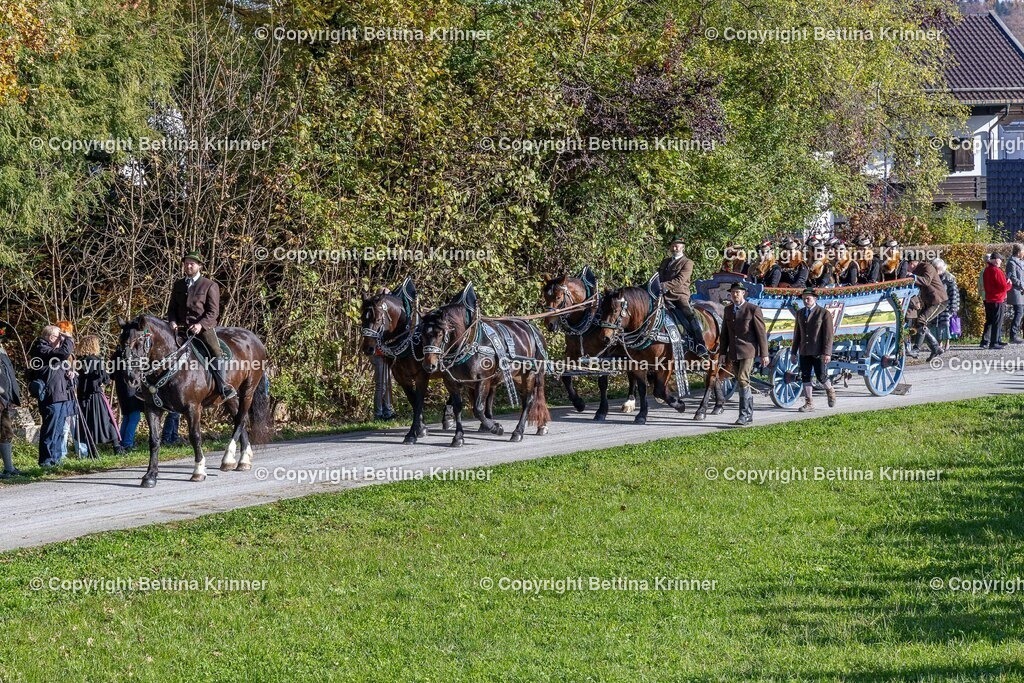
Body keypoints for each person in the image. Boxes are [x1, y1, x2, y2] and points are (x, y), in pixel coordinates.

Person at [167, 251, 237, 399]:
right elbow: (172, 308)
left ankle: (223, 385)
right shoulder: (178, 285)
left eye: (192, 263)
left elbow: (213, 312)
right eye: (186, 263)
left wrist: (200, 325)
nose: (188, 266)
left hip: (202, 329)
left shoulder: (209, 285)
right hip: (179, 329)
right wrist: (172, 321)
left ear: (199, 266)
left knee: (216, 351)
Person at [718, 282, 769, 427]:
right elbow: (725, 334)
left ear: (744, 293)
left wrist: (764, 354)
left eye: (738, 292)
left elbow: (761, 333)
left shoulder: (753, 309)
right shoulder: (728, 310)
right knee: (741, 381)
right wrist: (722, 352)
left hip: (748, 350)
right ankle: (749, 415)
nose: (735, 295)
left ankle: (744, 415)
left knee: (742, 379)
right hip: (733, 352)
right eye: (733, 292)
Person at [27, 325, 76, 467]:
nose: (61, 339)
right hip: (50, 396)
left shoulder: (53, 352)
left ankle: (55, 458)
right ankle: (46, 461)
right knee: (50, 429)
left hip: (61, 395)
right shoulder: (41, 349)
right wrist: (68, 338)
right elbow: (63, 353)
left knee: (59, 429)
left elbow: (63, 362)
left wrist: (71, 373)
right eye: (59, 337)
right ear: (51, 337)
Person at [657, 236, 706, 354]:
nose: (674, 248)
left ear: (682, 247)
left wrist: (663, 286)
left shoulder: (687, 263)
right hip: (662, 295)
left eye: (677, 245)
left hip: (679, 295)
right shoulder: (665, 262)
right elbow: (657, 276)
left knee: (689, 314)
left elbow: (680, 280)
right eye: (673, 245)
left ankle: (699, 343)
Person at [791, 288, 836, 412]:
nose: (806, 300)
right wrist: (794, 352)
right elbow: (797, 334)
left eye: (808, 298)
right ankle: (809, 403)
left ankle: (830, 389)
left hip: (818, 351)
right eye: (804, 298)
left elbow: (828, 335)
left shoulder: (823, 313)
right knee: (805, 376)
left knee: (821, 376)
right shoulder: (800, 313)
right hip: (804, 351)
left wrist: (827, 353)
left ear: (814, 299)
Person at [76, 335, 123, 453]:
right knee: (107, 420)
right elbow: (105, 379)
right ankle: (117, 447)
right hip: (96, 395)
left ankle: (92, 450)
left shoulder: (80, 361)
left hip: (83, 396)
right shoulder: (96, 360)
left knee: (87, 422)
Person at [0, 330, 22, 478]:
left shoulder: (2, 350)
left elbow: (8, 375)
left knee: (6, 433)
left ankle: (9, 468)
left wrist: (12, 394)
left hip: (4, 399)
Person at [982, 253, 1012, 350]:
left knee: (992, 320)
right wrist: (1009, 284)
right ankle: (994, 342)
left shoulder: (987, 270)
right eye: (1000, 260)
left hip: (989, 298)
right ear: (995, 260)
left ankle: (997, 340)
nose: (1001, 262)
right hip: (997, 299)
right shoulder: (996, 270)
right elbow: (1003, 287)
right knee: (997, 321)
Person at [932, 259, 960, 352]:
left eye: (937, 268)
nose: (936, 270)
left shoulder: (949, 278)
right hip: (936, 305)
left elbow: (954, 294)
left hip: (947, 306)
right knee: (937, 325)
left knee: (946, 325)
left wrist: (953, 307)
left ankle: (947, 342)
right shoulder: (934, 277)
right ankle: (939, 343)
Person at [1005, 244, 1024, 344]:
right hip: (1016, 291)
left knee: (1021, 312)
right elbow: (1012, 278)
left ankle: (1016, 334)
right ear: (1019, 252)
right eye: (1023, 251)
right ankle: (1013, 335)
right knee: (1019, 312)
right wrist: (1022, 285)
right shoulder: (1011, 263)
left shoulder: (1021, 262)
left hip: (1021, 290)